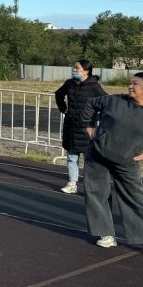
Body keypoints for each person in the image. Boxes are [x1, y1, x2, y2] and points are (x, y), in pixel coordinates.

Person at [84, 72, 143, 260]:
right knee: (96, 195)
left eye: (135, 84)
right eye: (130, 83)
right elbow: (91, 104)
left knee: (136, 200)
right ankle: (106, 234)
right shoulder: (116, 101)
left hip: (126, 163)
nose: (130, 86)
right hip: (97, 156)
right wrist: (89, 125)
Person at [54, 59, 106, 193]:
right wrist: (63, 108)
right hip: (71, 125)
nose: (74, 70)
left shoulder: (94, 87)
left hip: (87, 128)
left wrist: (97, 117)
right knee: (72, 157)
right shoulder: (69, 83)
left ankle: (92, 188)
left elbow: (106, 102)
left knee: (90, 159)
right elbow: (58, 94)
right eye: (74, 67)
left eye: (77, 68)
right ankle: (72, 184)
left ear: (86, 70)